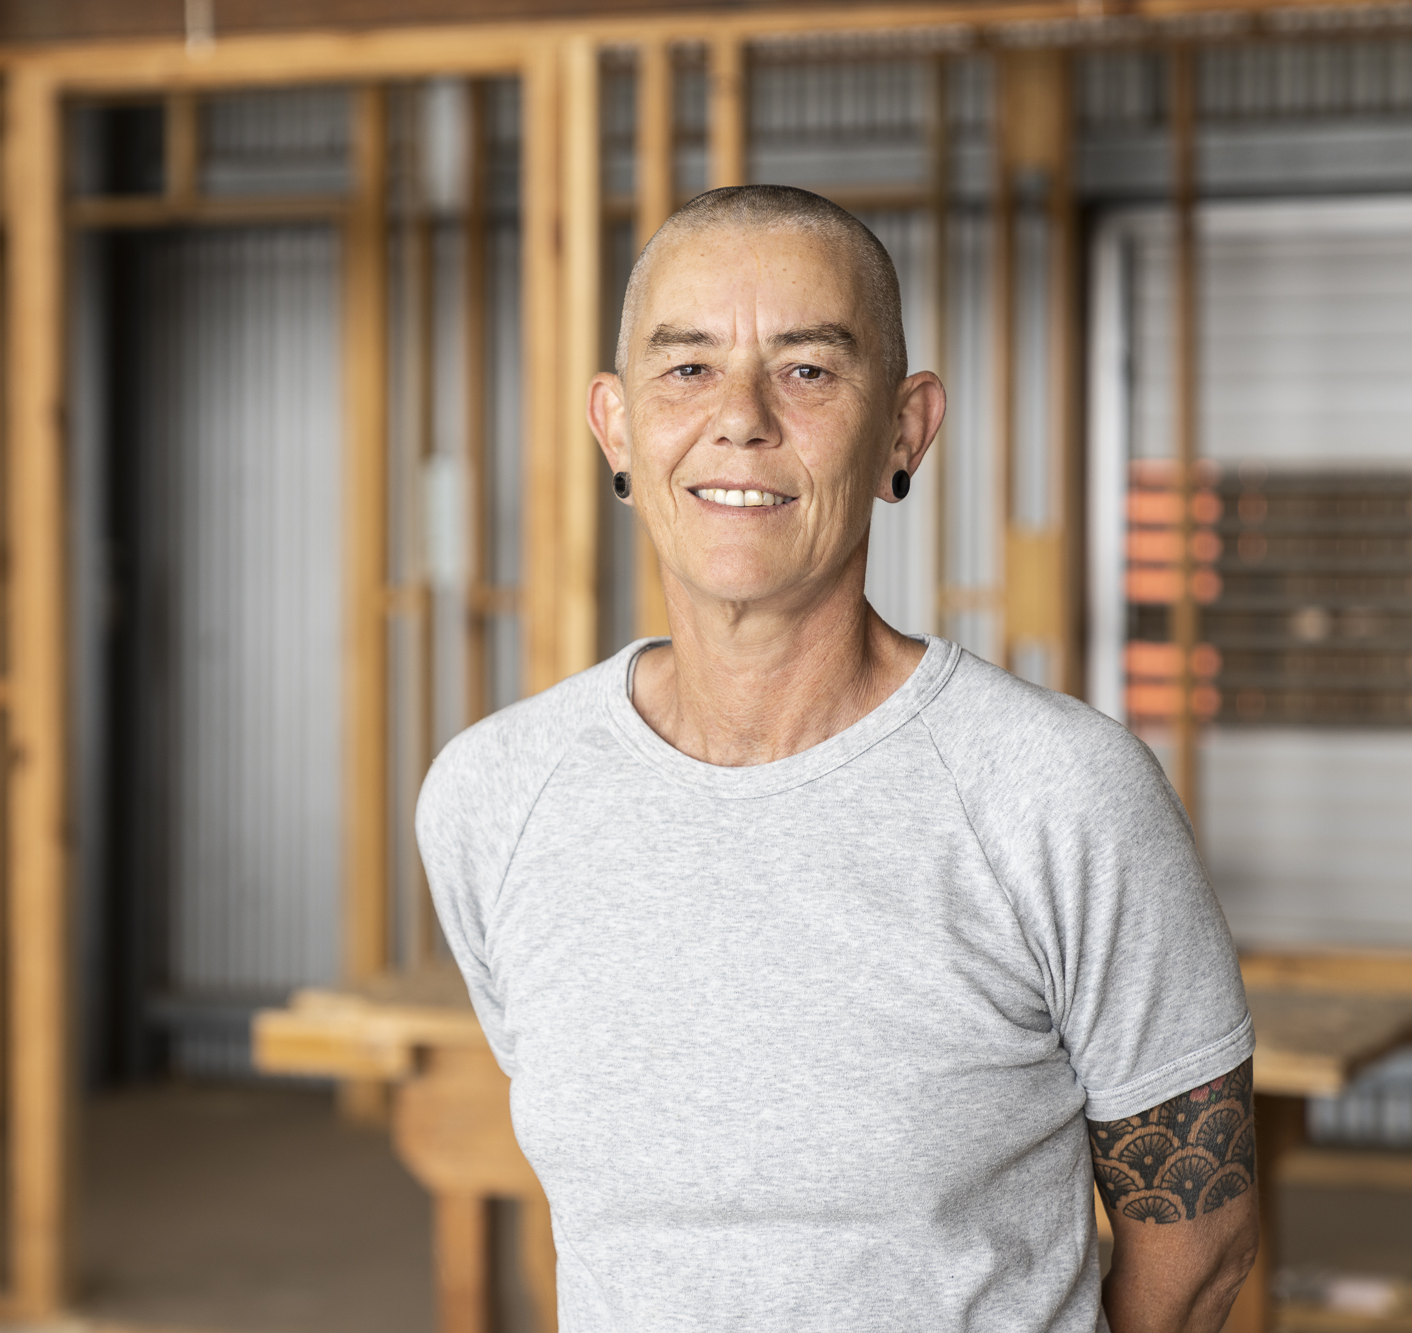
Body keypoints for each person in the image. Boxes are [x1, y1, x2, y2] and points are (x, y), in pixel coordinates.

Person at [416, 184, 1258, 1333]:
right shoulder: (491, 795)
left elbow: (1199, 1244)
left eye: (806, 370)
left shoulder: (1057, 795)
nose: (741, 418)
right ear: (614, 426)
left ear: (902, 429)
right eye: (686, 368)